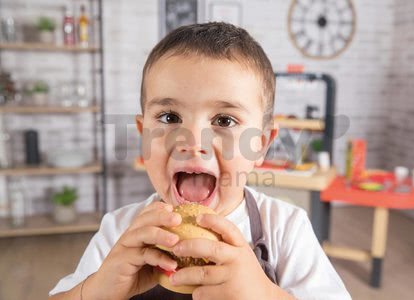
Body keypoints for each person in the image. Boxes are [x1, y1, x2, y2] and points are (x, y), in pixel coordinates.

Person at [49, 22, 351, 300]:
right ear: (143, 134)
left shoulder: (284, 228)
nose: (192, 142)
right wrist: (98, 288)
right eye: (170, 117)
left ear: (261, 145)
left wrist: (266, 294)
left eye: (224, 119)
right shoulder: (120, 231)